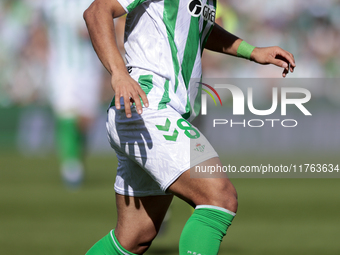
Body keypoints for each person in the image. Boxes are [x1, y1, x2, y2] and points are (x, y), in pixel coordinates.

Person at [83, 0, 296, 254]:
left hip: (161, 112)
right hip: (148, 105)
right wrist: (118, 73)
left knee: (136, 236)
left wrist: (252, 51)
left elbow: (197, 29)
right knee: (219, 197)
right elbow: (97, 11)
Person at [40, 0, 104, 188]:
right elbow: (40, 27)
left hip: (89, 69)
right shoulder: (52, 4)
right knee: (66, 112)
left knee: (85, 121)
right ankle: (71, 169)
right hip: (62, 69)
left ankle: (76, 159)